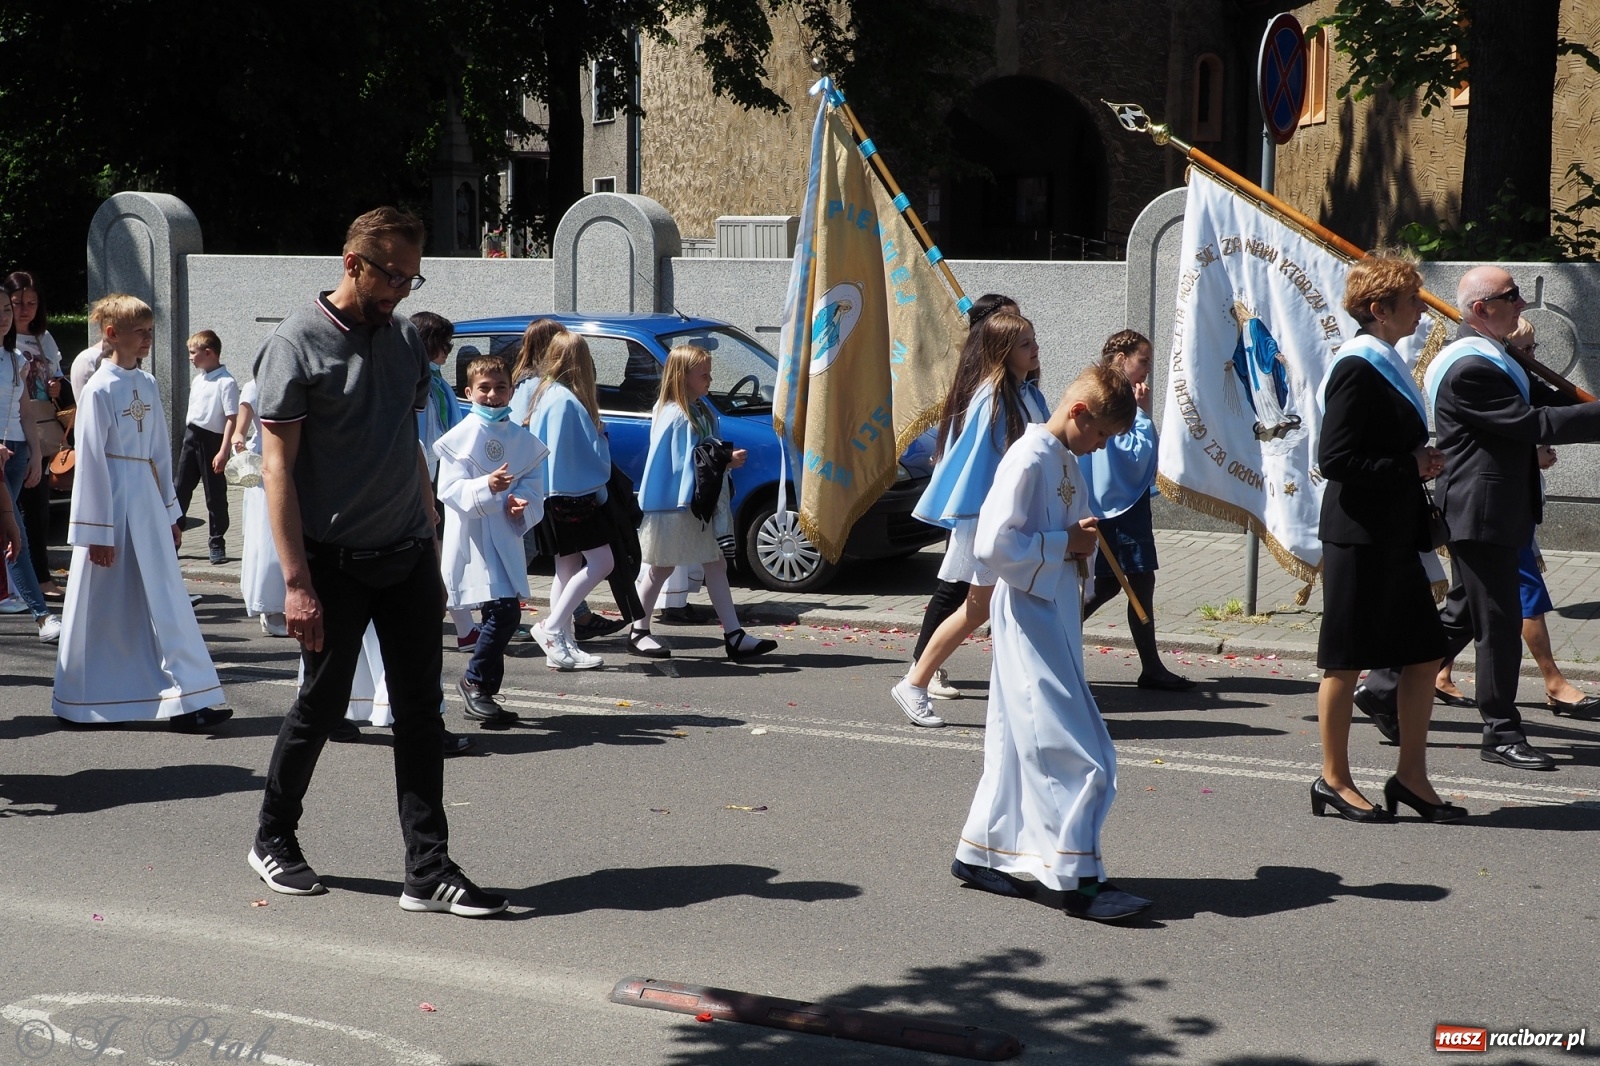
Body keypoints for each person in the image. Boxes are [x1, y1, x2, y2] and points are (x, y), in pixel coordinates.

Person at [247, 206, 505, 917]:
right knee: (322, 705)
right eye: (391, 273)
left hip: (407, 556)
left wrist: (427, 524)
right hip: (332, 562)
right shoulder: (296, 345)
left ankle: (427, 870)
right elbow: (277, 471)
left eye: (411, 277)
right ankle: (273, 837)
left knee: (421, 713)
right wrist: (295, 582)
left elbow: (408, 445)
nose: (400, 289)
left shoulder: (402, 344)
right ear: (351, 262)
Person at [1355, 267, 1600, 772]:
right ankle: (1502, 732)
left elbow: (1547, 400)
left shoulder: (1494, 352)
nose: (1521, 304)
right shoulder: (1470, 366)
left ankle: (1382, 689)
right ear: (1481, 309)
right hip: (1482, 512)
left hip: (1490, 508)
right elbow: (1529, 423)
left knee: (1464, 612)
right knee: (1500, 625)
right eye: (1511, 297)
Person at [950, 362, 1150, 922]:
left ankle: (982, 852)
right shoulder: (1029, 456)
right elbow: (992, 545)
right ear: (1079, 412)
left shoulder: (1062, 456)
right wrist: (1065, 543)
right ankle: (1076, 879)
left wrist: (1078, 539)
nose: (1099, 448)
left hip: (1052, 614)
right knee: (1081, 754)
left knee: (1017, 744)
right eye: (1101, 436)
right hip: (1031, 616)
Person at [1311, 255, 1459, 823]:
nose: (1422, 310)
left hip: (1394, 533)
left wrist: (1416, 462)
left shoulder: (1387, 362)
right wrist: (1411, 463)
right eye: (1412, 302)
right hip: (1357, 535)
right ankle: (1333, 778)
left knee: (1424, 653)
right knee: (1345, 662)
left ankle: (1412, 778)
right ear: (1380, 310)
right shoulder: (1358, 366)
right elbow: (1336, 459)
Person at [51, 294, 229, 731]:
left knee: (167, 600)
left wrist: (172, 511)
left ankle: (189, 699)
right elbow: (91, 460)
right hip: (111, 505)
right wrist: (97, 533)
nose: (148, 338)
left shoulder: (147, 385)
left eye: (151, 331)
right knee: (105, 607)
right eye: (141, 332)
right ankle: (89, 700)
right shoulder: (98, 388)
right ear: (111, 334)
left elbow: (158, 455)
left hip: (147, 503)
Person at [893, 310, 1051, 727]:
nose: (1035, 349)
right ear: (1003, 352)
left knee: (1005, 607)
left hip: (1018, 519)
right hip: (993, 521)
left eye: (1034, 340)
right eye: (1025, 344)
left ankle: (1024, 698)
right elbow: (981, 465)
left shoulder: (1027, 393)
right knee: (977, 609)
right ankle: (914, 682)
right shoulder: (993, 397)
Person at [629, 344, 777, 661]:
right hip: (677, 505)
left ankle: (733, 635)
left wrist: (721, 459)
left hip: (693, 504)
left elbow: (693, 456)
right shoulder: (677, 414)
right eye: (704, 375)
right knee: (661, 567)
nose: (710, 379)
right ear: (683, 377)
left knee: (713, 564)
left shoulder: (694, 410)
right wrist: (723, 458)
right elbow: (681, 462)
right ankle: (639, 630)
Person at [906, 293, 1018, 701]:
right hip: (977, 502)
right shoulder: (981, 386)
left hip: (1003, 503)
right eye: (1015, 331)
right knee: (956, 588)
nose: (1027, 341)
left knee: (979, 595)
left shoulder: (1015, 385)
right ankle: (921, 669)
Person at [436, 355, 547, 723]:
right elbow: (449, 490)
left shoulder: (521, 439)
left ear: (512, 392)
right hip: (473, 540)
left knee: (501, 611)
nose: (493, 395)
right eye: (484, 388)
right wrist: (486, 486)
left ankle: (483, 691)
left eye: (501, 387)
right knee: (505, 611)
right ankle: (474, 682)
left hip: (504, 535)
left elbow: (534, 486)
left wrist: (522, 503)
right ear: (469, 392)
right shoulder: (458, 439)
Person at [1080, 330, 1191, 691]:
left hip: (1118, 501)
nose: (1146, 370)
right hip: (1117, 504)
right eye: (1142, 361)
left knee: (1113, 582)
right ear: (1121, 358)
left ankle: (1056, 635)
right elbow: (1131, 452)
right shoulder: (1112, 396)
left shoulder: (1106, 389)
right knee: (1137, 579)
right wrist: (1142, 415)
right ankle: (1152, 668)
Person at [522, 331, 612, 671]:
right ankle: (553, 628)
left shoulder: (547, 393)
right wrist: (600, 437)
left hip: (553, 494)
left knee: (567, 567)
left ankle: (563, 643)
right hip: (572, 496)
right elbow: (578, 455)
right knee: (603, 563)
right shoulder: (566, 401)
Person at [409, 310, 478, 650]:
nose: (448, 351)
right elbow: (417, 439)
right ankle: (462, 627)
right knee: (436, 556)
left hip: (443, 476)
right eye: (445, 344)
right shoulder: (414, 379)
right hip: (422, 479)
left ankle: (463, 627)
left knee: (442, 554)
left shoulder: (433, 380)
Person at [0, 295, 62, 640]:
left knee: (12, 531)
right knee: (15, 533)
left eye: (6, 310)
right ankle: (42, 616)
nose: (5, 318)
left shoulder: (15, 358)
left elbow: (25, 412)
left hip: (18, 450)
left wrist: (36, 455)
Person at [174, 330, 239, 565]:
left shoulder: (226, 382)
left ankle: (217, 541)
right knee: (180, 488)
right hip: (192, 437)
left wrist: (224, 451)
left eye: (193, 353)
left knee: (215, 494)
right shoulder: (199, 378)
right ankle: (174, 538)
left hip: (212, 440)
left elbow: (232, 417)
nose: (191, 357)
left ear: (208, 352)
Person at [229, 378, 287, 636]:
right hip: (264, 466)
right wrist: (238, 444)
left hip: (291, 462)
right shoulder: (253, 386)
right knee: (267, 538)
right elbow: (239, 429)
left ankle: (284, 602)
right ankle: (269, 607)